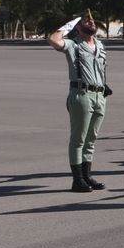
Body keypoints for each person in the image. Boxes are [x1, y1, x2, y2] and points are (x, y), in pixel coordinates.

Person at [47, 11, 110, 192]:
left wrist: (105, 85)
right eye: (86, 20)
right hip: (81, 95)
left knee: (91, 139)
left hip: (99, 95)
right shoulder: (73, 45)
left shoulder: (100, 45)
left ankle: (87, 175)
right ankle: (77, 180)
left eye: (92, 20)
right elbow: (53, 40)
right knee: (78, 140)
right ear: (78, 27)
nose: (91, 22)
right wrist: (69, 24)